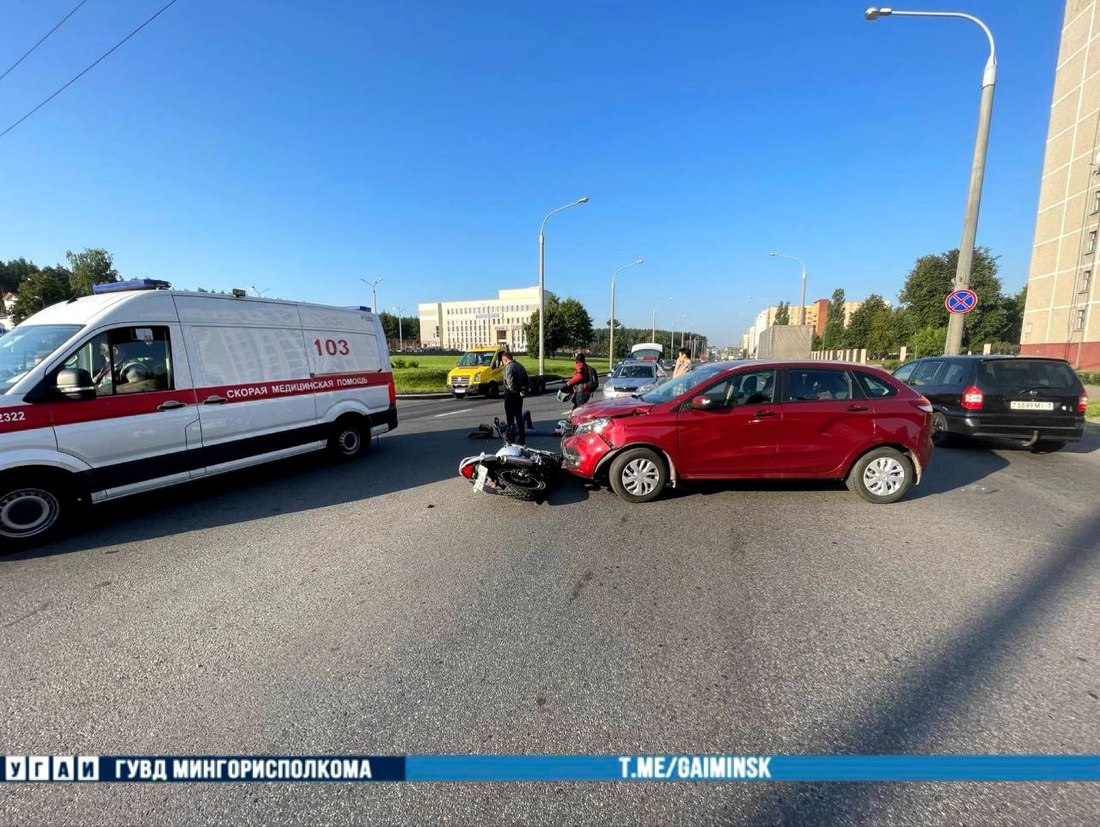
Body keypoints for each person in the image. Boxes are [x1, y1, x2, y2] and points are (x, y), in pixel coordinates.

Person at [500, 350, 529, 445]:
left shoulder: (509, 367)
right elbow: (527, 382)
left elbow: (510, 385)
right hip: (519, 397)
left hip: (511, 397)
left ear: (505, 359)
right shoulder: (520, 366)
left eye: (503, 362)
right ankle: (522, 439)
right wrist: (522, 391)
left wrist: (516, 390)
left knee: (510, 420)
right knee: (519, 418)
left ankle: (511, 440)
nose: (503, 364)